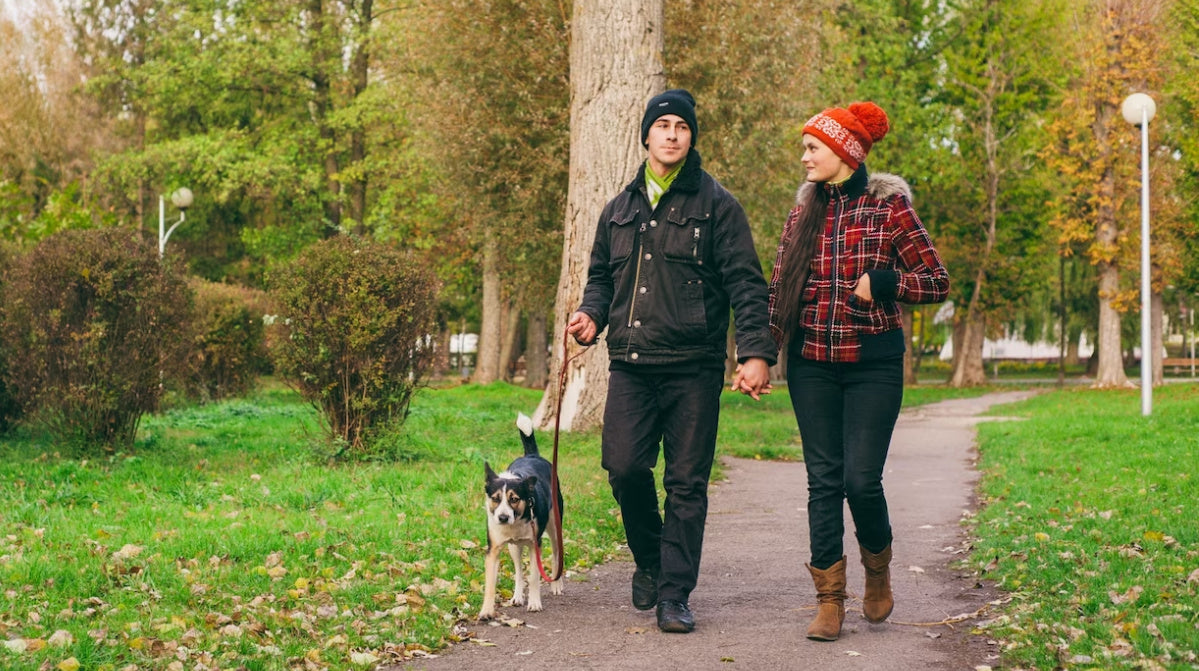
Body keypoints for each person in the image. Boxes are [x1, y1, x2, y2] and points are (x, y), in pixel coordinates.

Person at [567, 89, 776, 633]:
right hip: (632, 363)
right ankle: (651, 560)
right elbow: (601, 278)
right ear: (646, 135)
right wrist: (591, 317)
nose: (673, 134)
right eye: (663, 125)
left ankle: (674, 594)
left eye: (682, 126)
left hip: (693, 367)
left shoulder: (717, 205)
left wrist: (754, 353)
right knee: (624, 467)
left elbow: (747, 285)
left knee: (687, 483)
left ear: (691, 137)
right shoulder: (620, 208)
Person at [767, 102, 949, 642]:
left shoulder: (889, 208)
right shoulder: (803, 213)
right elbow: (779, 290)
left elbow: (936, 281)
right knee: (822, 482)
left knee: (859, 481)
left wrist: (886, 282)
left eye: (812, 147)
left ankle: (876, 570)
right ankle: (828, 600)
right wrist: (758, 355)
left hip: (873, 364)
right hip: (811, 367)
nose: (804, 157)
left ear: (845, 151)